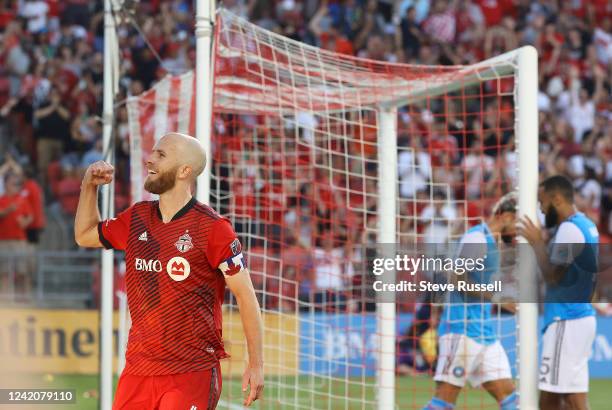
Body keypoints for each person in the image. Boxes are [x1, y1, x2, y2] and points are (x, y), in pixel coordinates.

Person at [74, 132, 264, 409]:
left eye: (161, 155)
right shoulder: (137, 217)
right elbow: (85, 235)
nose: (149, 159)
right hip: (138, 369)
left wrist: (256, 364)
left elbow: (246, 297)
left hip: (191, 370)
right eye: (152, 152)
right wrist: (88, 186)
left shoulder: (213, 229)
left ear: (185, 170)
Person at [424, 192, 518, 410]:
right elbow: (456, 278)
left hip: (484, 332)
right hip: (462, 330)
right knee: (443, 403)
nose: (518, 233)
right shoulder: (477, 238)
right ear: (505, 216)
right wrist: (498, 299)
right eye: (518, 224)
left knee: (513, 400)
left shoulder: (492, 242)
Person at [518, 175, 598, 410]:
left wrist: (536, 244)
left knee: (550, 399)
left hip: (566, 320)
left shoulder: (570, 230)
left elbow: (553, 276)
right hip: (580, 318)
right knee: (574, 400)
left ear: (556, 199)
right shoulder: (586, 224)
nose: (541, 210)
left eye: (542, 203)